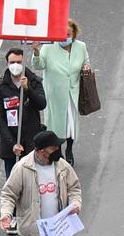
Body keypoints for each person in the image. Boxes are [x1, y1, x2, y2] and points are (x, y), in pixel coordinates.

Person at [36, 18, 89, 166]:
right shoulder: (48, 48)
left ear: (74, 35)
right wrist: (36, 51)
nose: (65, 37)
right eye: (62, 34)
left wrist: (86, 68)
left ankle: (69, 149)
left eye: (68, 34)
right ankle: (57, 150)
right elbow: (39, 65)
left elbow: (86, 62)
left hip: (73, 93)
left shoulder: (81, 47)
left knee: (71, 124)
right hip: (55, 95)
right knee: (57, 125)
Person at [0, 45, 47, 180]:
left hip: (31, 143)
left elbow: (42, 104)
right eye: (12, 62)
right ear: (7, 63)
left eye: (18, 62)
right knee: (12, 184)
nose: (15, 65)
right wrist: (12, 144)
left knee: (32, 183)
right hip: (11, 145)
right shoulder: (1, 88)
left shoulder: (34, 82)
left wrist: (28, 89)